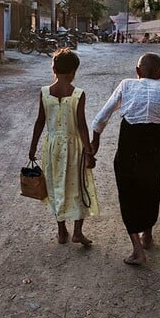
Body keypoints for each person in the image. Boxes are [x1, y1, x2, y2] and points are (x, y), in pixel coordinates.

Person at [91, 52, 160, 265]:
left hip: (129, 145)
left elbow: (101, 117)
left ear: (137, 72)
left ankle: (137, 250)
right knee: (150, 187)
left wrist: (95, 142)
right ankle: (147, 234)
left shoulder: (126, 84)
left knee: (128, 193)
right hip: (154, 146)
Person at [28, 48, 99, 246]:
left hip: (52, 148)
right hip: (74, 147)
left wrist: (33, 147)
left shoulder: (44, 93)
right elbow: (82, 125)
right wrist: (88, 151)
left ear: (53, 68)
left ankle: (61, 232)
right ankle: (77, 231)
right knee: (79, 186)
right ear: (73, 72)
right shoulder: (78, 94)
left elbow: (39, 122)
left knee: (56, 186)